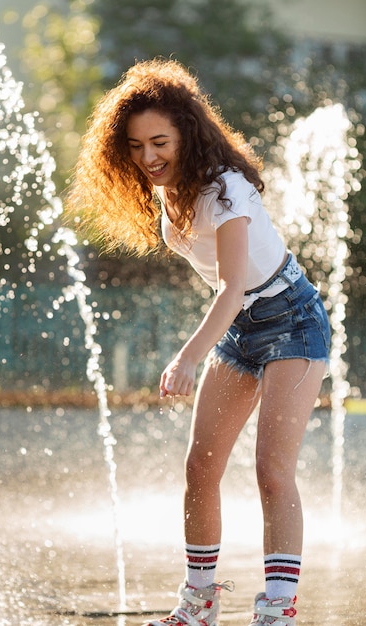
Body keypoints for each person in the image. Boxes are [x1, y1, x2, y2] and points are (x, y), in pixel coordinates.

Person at [66, 59, 331, 626]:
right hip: (241, 329)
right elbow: (230, 294)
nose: (147, 157)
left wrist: (188, 356)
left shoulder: (226, 190)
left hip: (293, 319)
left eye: (159, 141)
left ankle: (278, 609)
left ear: (188, 131)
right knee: (201, 467)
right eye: (135, 146)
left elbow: (234, 285)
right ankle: (200, 600)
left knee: (271, 470)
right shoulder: (171, 191)